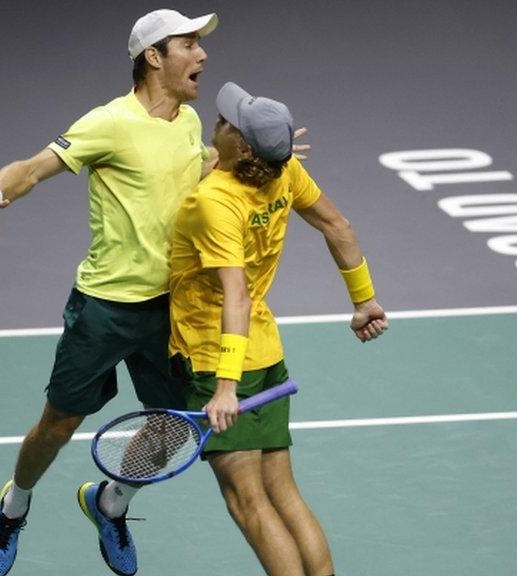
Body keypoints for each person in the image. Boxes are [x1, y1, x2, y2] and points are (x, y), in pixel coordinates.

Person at [0, 10, 221, 576]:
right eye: (188, 45)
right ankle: (13, 507)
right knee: (57, 425)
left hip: (170, 306)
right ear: (154, 57)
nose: (202, 55)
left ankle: (110, 502)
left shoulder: (189, 121)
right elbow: (33, 168)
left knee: (175, 423)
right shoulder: (109, 122)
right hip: (104, 307)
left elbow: (190, 174)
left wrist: (236, 160)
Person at [168, 82, 389, 576]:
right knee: (283, 493)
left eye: (226, 124)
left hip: (214, 352)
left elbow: (236, 295)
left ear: (243, 147)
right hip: (266, 352)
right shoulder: (285, 170)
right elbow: (339, 226)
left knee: (249, 504)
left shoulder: (215, 201)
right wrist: (364, 300)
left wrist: (225, 386)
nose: (217, 124)